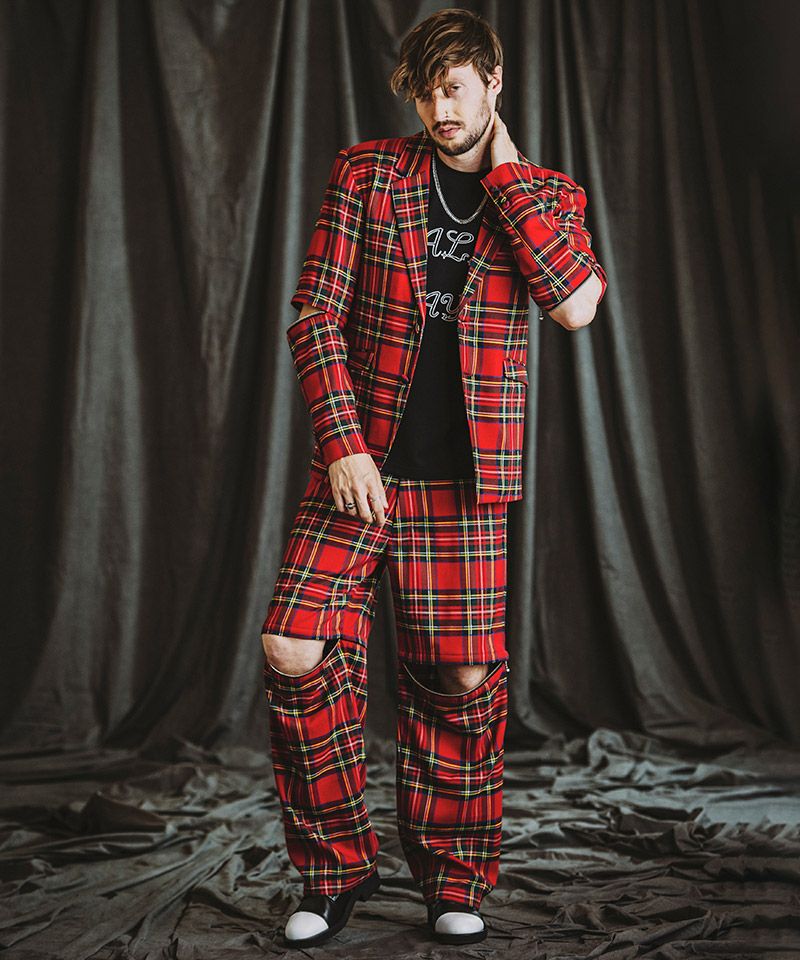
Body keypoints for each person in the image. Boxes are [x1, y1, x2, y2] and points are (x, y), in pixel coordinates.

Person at [261, 7, 608, 948]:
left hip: (464, 484)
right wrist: (342, 444)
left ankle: (452, 880)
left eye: (454, 88)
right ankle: (333, 870)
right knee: (295, 648)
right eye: (425, 92)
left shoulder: (547, 194)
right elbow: (314, 314)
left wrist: (506, 175)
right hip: (360, 469)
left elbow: (576, 304)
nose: (439, 109)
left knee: (459, 678)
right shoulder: (368, 173)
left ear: (494, 81)